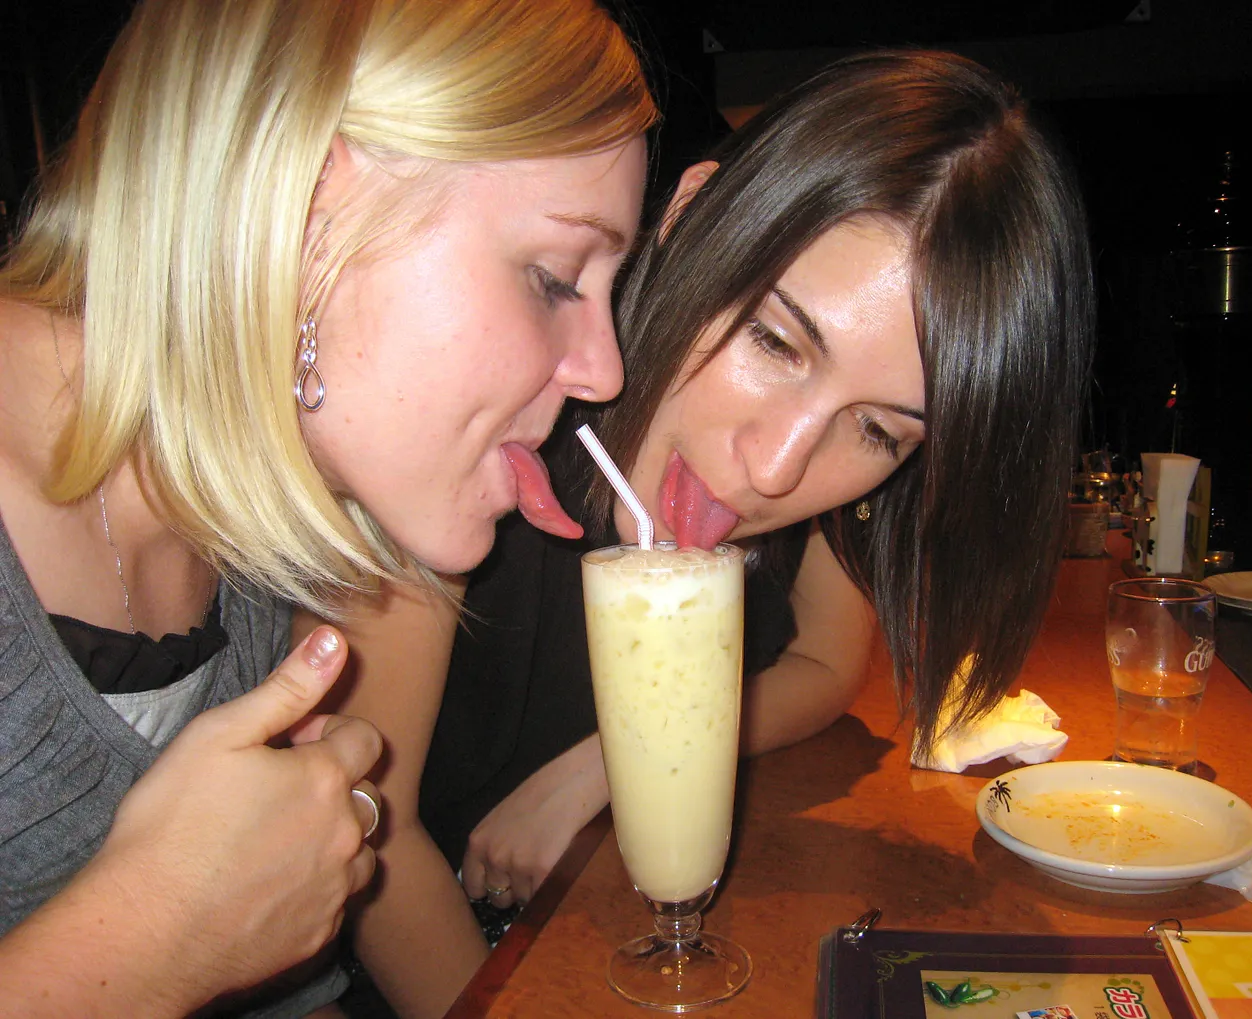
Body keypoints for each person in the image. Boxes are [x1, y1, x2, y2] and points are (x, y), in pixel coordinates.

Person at [319, 48, 1093, 1018]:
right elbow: (364, 821)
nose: (775, 467)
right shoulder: (471, 431)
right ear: (688, 219)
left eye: (878, 428)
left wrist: (618, 761)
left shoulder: (806, 485)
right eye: (774, 341)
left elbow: (824, 661)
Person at [0, 0, 654, 1015]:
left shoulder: (266, 517)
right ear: (307, 212)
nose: (600, 370)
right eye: (553, 275)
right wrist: (149, 936)